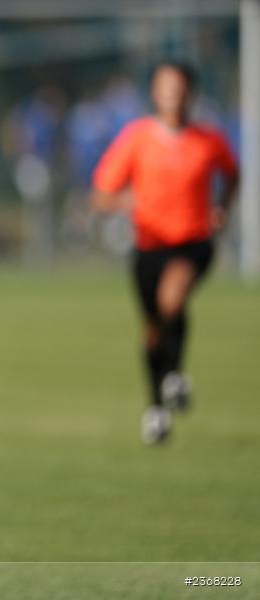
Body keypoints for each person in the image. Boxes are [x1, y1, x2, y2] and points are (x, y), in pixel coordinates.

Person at [91, 60, 239, 444]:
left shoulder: (209, 140)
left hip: (193, 243)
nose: (173, 94)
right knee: (153, 330)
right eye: (166, 86)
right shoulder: (138, 137)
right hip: (149, 247)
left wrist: (222, 207)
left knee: (172, 299)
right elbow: (101, 193)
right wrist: (126, 201)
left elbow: (232, 173)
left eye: (180, 87)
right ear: (154, 92)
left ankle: (174, 375)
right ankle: (157, 408)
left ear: (191, 93)